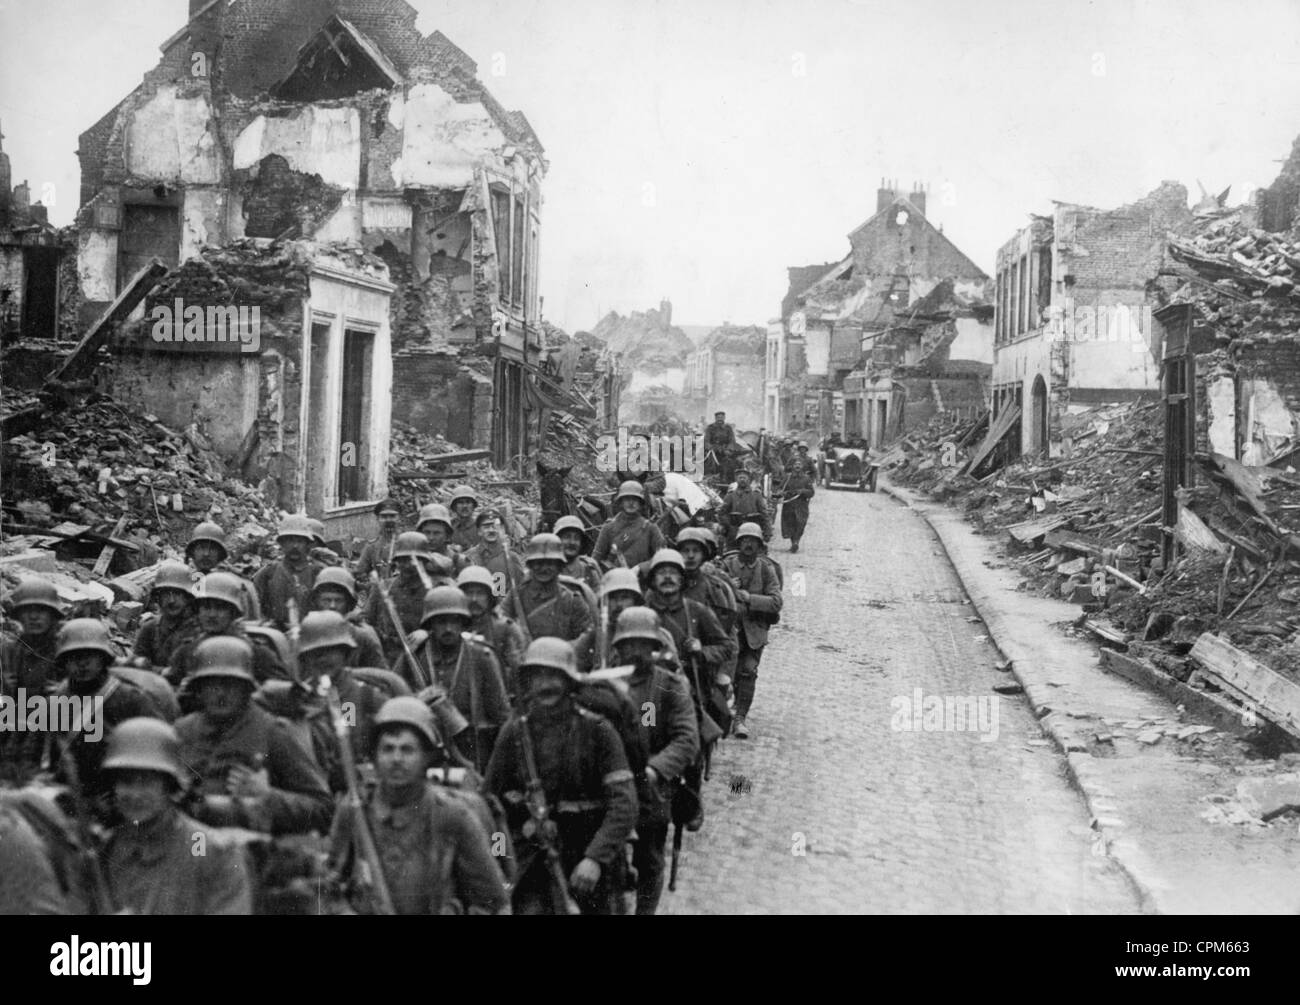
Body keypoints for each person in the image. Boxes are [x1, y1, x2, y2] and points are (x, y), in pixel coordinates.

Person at [484, 638, 638, 915]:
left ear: (569, 682)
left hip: (589, 856)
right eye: (538, 676)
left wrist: (595, 858)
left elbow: (624, 804)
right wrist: (501, 855)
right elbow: (490, 801)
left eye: (555, 675)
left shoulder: (598, 730)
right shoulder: (513, 732)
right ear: (527, 683)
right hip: (532, 857)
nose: (546, 685)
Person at [328, 697, 509, 915]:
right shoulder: (355, 810)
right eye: (387, 749)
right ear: (375, 757)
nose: (396, 759)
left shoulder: (452, 816)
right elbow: (328, 887)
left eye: (407, 750)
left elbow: (494, 901)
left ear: (427, 757)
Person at [175, 635, 333, 836]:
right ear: (198, 689)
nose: (221, 694)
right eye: (212, 684)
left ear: (246, 688)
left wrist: (268, 797)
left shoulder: (272, 732)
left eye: (230, 684)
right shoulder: (181, 731)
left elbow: (324, 810)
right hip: (191, 848)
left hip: (249, 853)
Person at [103, 718, 254, 915]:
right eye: (126, 782)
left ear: (169, 786)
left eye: (147, 782)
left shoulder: (206, 849)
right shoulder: (104, 852)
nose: (135, 794)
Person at [611, 607, 699, 915]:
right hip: (609, 783)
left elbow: (687, 739)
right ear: (618, 647)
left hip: (652, 786)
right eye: (628, 644)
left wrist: (655, 769)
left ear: (654, 648)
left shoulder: (670, 685)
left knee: (648, 860)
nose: (635, 651)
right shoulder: (603, 684)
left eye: (643, 644)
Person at [394, 586, 510, 771]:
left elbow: (501, 714)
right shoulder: (414, 655)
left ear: (463, 623)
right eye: (441, 622)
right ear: (430, 623)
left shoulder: (481, 656)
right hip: (423, 748)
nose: (448, 628)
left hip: (471, 750)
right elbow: (393, 700)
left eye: (454, 621)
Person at [51, 619, 161, 807]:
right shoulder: (57, 699)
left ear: (103, 658)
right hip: (70, 792)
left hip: (119, 793)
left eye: (90, 656)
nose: (82, 664)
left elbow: (156, 748)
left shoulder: (130, 698)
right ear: (64, 662)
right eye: (74, 656)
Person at [168, 572, 283, 694]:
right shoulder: (187, 650)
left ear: (233, 613)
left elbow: (282, 689)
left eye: (220, 608)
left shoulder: (255, 652)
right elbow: (168, 687)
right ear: (198, 611)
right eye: (206, 607)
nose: (212, 615)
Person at [719, 523, 783, 740]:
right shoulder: (726, 566)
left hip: (754, 632)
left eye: (753, 542)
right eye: (745, 541)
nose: (748, 545)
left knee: (748, 671)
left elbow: (776, 602)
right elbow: (712, 591)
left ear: (759, 546)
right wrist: (727, 584)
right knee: (725, 675)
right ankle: (724, 713)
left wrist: (749, 598)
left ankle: (740, 717)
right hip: (728, 630)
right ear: (738, 543)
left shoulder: (767, 569)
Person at [363, 531, 455, 667]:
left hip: (430, 659)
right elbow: (366, 619)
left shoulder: (439, 589)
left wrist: (428, 633)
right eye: (403, 559)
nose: (408, 565)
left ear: (424, 561)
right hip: (390, 660)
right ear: (397, 561)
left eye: (414, 560)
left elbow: (454, 624)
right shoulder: (383, 588)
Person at [503, 534, 594, 649]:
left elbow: (588, 634)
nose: (544, 568)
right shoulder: (517, 595)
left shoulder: (572, 600)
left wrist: (564, 650)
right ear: (530, 565)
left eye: (550, 563)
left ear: (560, 566)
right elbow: (499, 625)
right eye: (539, 563)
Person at [458, 566, 527, 698]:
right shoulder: (454, 626)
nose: (474, 599)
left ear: (490, 597)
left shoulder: (506, 629)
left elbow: (520, 673)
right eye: (468, 593)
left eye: (480, 593)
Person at [253, 515, 326, 631]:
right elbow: (254, 606)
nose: (295, 546)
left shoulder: (319, 573)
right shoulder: (268, 573)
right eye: (290, 540)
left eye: (300, 541)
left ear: (308, 544)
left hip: (312, 634)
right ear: (281, 543)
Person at [309, 567, 386, 669]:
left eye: (339, 600)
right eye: (326, 600)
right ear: (316, 602)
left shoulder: (362, 636)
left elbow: (380, 676)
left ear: (349, 604)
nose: (332, 606)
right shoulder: (304, 634)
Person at [131, 561, 202, 671]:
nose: (171, 601)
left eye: (177, 594)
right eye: (166, 594)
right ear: (158, 598)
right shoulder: (150, 628)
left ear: (188, 597)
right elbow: (136, 667)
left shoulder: (198, 630)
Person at [185, 521, 261, 620]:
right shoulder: (182, 579)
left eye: (212, 549)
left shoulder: (237, 583)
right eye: (201, 548)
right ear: (192, 552)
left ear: (220, 554)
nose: (206, 554)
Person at [591, 481, 666, 570]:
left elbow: (663, 558)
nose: (631, 503)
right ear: (621, 502)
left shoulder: (651, 528)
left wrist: (641, 568)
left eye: (635, 499)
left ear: (641, 503)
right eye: (627, 499)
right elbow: (596, 558)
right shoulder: (608, 528)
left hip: (642, 580)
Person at [464, 509, 526, 586]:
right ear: (479, 531)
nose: (491, 530)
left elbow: (520, 587)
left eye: (495, 526)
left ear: (502, 529)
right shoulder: (468, 557)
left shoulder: (510, 558)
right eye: (486, 527)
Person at [354, 498, 403, 589]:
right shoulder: (372, 547)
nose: (388, 520)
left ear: (399, 518)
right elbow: (360, 572)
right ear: (378, 519)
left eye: (392, 516)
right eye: (384, 517)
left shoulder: (408, 543)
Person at [718, 468, 771, 550]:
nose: (742, 480)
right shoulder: (731, 495)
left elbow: (764, 513)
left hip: (753, 529)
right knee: (732, 552)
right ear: (736, 480)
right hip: (735, 529)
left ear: (749, 479)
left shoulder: (756, 495)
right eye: (740, 478)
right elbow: (722, 513)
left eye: (744, 478)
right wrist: (728, 525)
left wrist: (767, 531)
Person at [554, 515, 601, 594]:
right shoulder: (548, 567)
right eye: (567, 537)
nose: (572, 542)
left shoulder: (589, 569)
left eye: (576, 538)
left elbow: (599, 599)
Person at [417, 503, 469, 575]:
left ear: (447, 536)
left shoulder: (459, 561)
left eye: (437, 533)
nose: (431, 538)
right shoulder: (414, 558)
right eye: (427, 532)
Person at [779, 465, 817, 553]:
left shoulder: (806, 479)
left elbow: (811, 492)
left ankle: (796, 541)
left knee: (800, 523)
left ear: (802, 467)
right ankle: (794, 543)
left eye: (799, 465)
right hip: (789, 504)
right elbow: (780, 489)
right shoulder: (787, 478)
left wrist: (803, 491)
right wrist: (783, 493)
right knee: (790, 524)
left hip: (801, 505)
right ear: (792, 467)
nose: (797, 466)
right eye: (795, 464)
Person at [448, 486, 482, 551]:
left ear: (473, 506)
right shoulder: (448, 527)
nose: (465, 506)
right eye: (460, 502)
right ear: (454, 506)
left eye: (468, 502)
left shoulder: (480, 526)